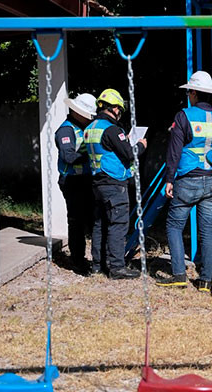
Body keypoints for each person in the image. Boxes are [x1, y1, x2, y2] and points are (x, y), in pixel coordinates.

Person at [156, 71, 212, 292]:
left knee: (174, 225)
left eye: (189, 91)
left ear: (192, 93)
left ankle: (179, 274)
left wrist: (169, 179)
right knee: (207, 230)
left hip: (188, 179)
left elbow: (174, 151)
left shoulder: (184, 116)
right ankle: (206, 281)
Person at [85, 88, 147, 279]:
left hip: (97, 182)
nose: (120, 112)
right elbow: (129, 154)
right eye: (119, 108)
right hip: (114, 183)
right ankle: (117, 267)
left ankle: (97, 265)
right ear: (114, 108)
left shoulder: (90, 128)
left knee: (99, 224)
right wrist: (140, 145)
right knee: (118, 224)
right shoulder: (112, 129)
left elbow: (107, 149)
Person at [56, 92, 98, 275]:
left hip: (87, 180)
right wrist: (93, 156)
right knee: (76, 222)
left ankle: (91, 260)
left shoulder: (85, 127)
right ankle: (77, 260)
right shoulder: (66, 130)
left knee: (91, 220)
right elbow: (68, 156)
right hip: (72, 181)